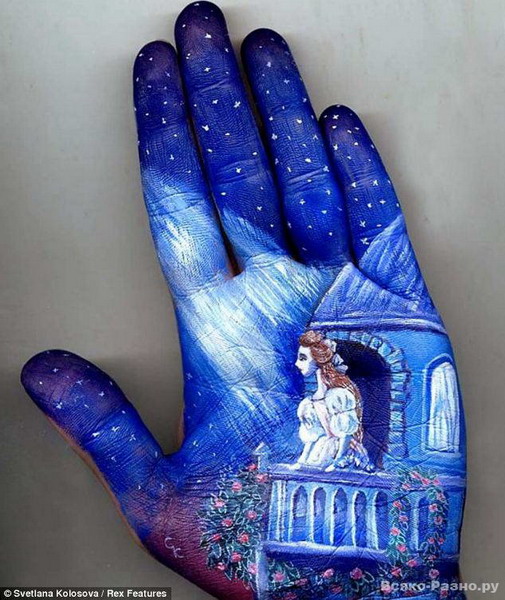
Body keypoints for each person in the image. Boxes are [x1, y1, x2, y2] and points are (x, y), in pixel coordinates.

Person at [294, 330, 374, 472]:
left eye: (303, 358)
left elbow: (346, 434)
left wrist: (338, 460)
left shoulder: (337, 396)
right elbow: (313, 435)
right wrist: (302, 460)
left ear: (318, 359)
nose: (297, 363)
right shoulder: (309, 403)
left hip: (341, 450)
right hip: (321, 449)